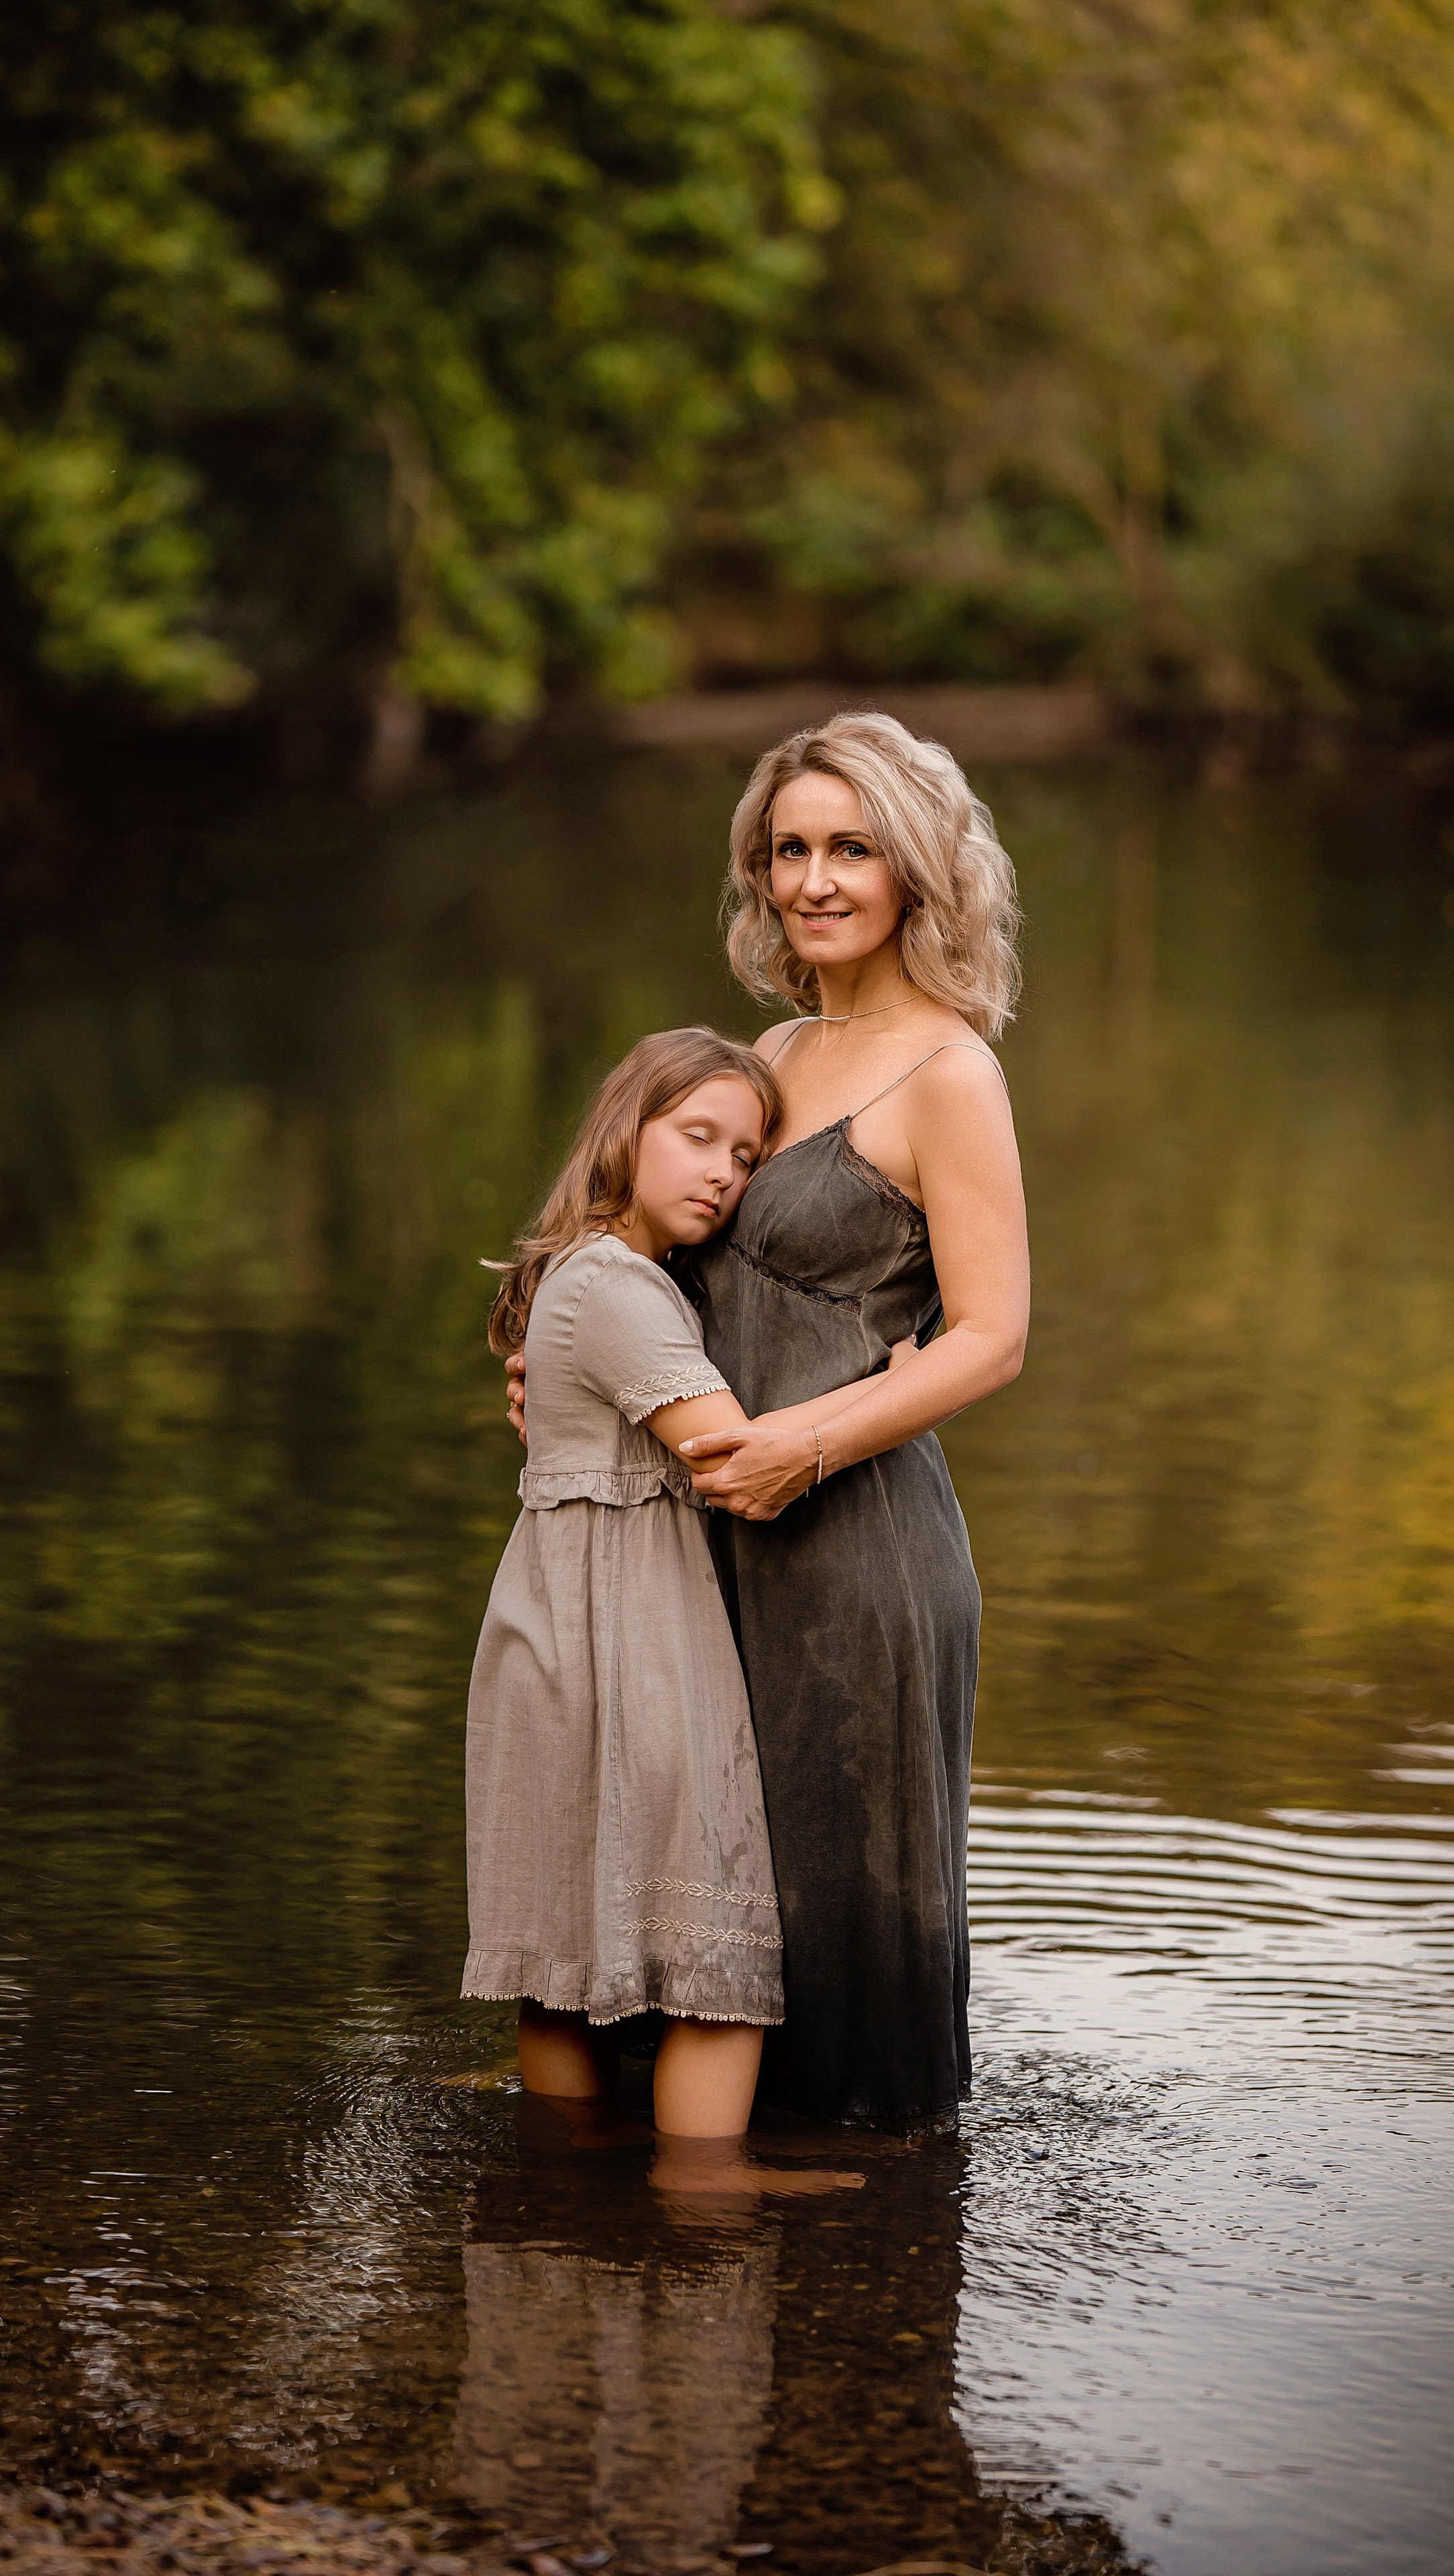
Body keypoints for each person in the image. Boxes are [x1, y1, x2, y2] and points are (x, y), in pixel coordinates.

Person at [508, 712, 1029, 2130]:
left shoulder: (951, 1072)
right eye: (788, 850)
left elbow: (988, 1338)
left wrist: (803, 1443)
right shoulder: (773, 1046)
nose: (812, 881)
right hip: (701, 1533)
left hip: (854, 1546)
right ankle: (676, 2209)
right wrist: (550, 1372)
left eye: (849, 848)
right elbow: (658, 1260)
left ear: (915, 869)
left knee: (829, 1890)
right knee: (700, 1880)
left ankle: (868, 2242)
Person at [466, 1026, 868, 2188]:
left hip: (558, 1629)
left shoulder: (585, 1275)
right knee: (716, 1950)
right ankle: (704, 2192)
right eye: (697, 1138)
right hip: (624, 1637)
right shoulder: (619, 1286)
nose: (722, 1175)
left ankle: (566, 2179)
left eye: (745, 1158)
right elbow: (732, 1456)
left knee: (562, 1959)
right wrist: (886, 1390)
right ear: (624, 1132)